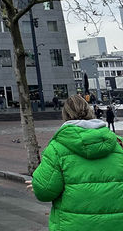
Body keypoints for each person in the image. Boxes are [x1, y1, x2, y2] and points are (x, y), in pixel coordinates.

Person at [27, 94, 123, 230]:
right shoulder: (118, 143)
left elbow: (45, 191)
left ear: (65, 115)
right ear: (90, 111)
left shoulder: (56, 148)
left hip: (72, 225)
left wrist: (37, 184)